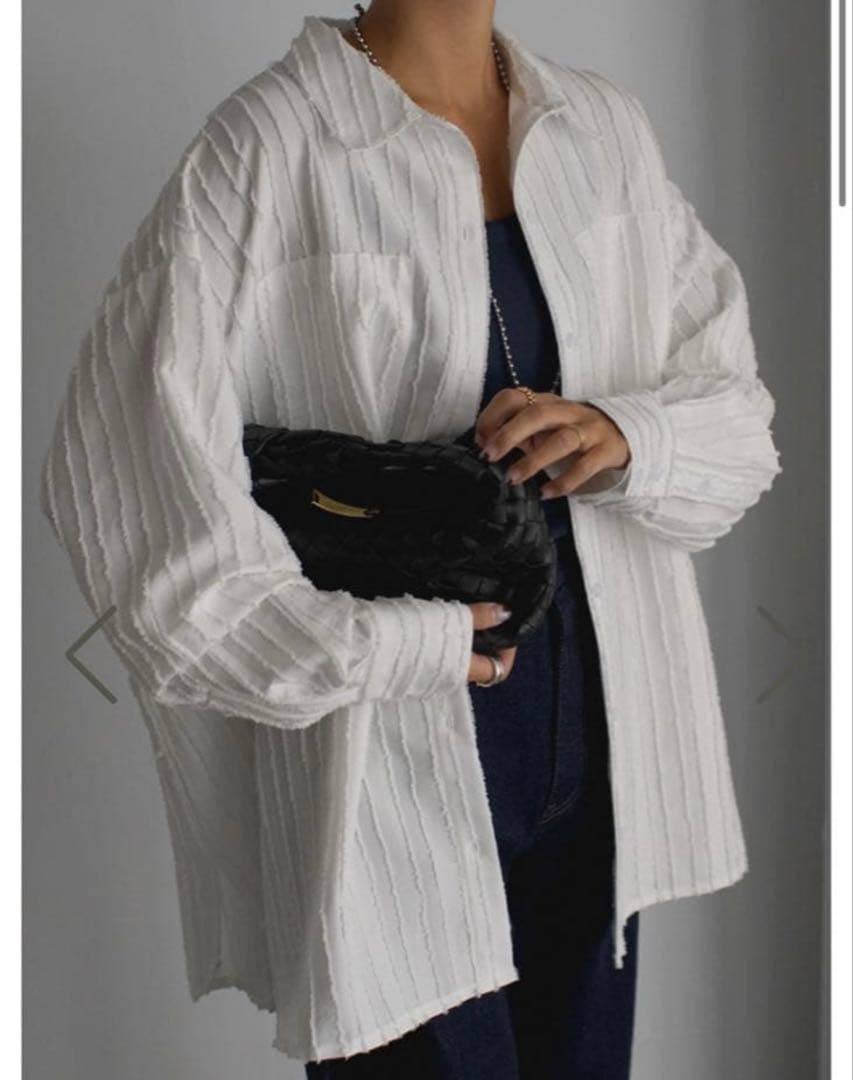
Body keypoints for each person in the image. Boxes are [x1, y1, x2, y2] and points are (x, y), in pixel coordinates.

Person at [40, 2, 783, 1077]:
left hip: (609, 738)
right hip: (392, 759)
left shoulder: (600, 128)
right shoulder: (270, 145)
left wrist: (630, 435)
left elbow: (737, 413)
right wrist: (385, 647)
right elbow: (127, 486)